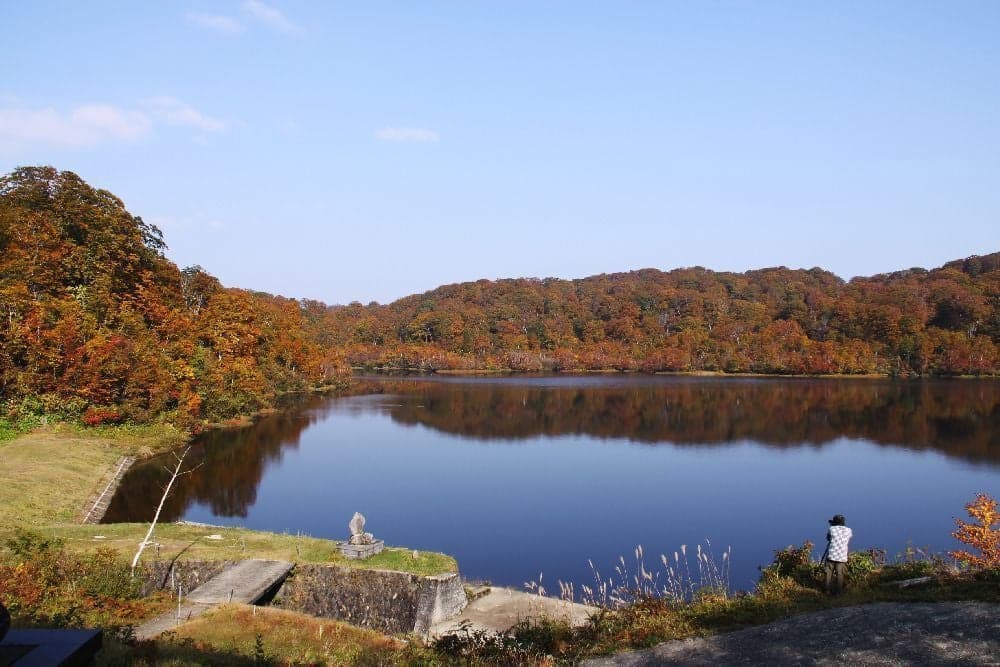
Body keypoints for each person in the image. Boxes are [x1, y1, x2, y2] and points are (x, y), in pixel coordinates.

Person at [822, 514, 852, 595]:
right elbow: (848, 537)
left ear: (834, 522)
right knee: (840, 574)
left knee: (828, 573)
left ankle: (827, 590)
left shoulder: (831, 529)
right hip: (842, 556)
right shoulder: (849, 530)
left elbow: (828, 538)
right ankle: (839, 592)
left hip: (831, 555)